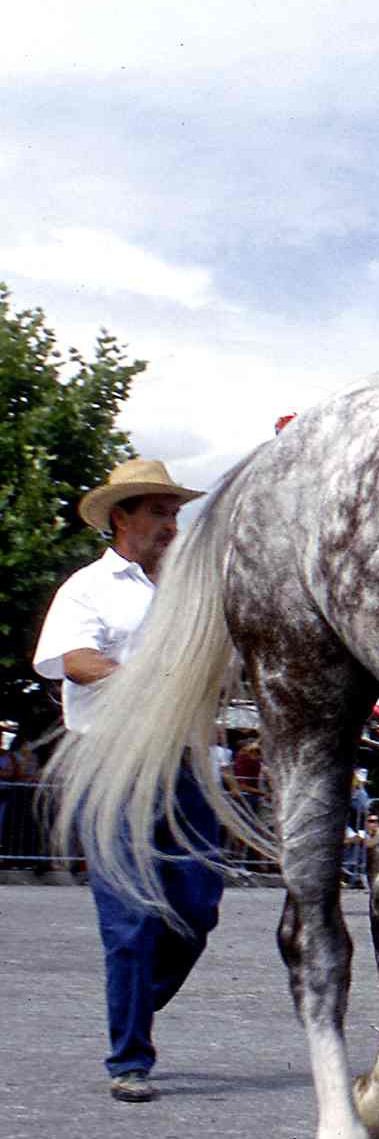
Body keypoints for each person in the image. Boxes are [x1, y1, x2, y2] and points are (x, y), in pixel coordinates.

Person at [33, 457, 221, 1102]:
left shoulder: (191, 588)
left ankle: (140, 995)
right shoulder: (87, 588)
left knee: (198, 905)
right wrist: (155, 687)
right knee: (131, 919)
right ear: (122, 516)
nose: (173, 523)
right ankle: (129, 1058)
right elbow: (75, 661)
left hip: (184, 763)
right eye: (159, 512)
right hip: (112, 762)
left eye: (175, 512)